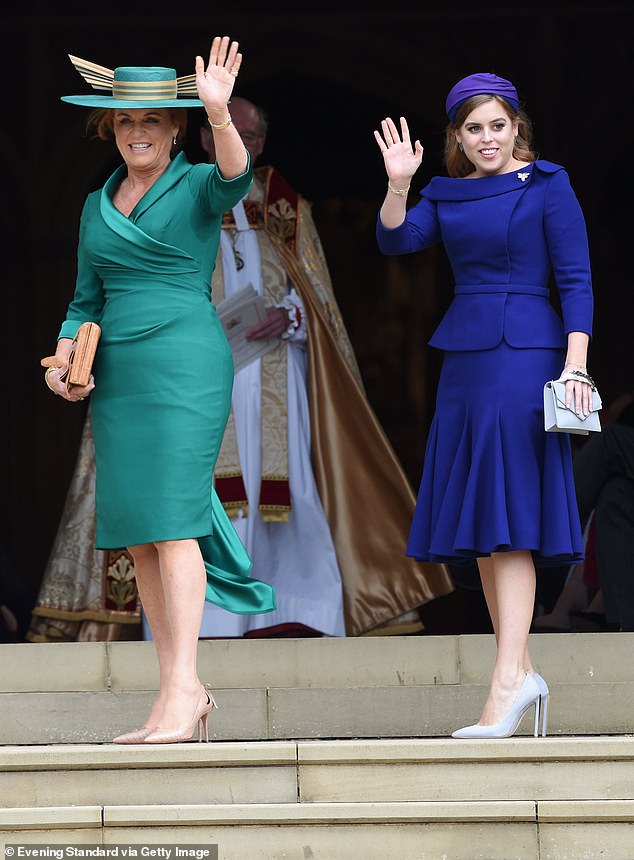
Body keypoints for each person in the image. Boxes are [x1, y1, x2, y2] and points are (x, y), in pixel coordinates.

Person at [41, 37, 276, 744]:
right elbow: (84, 300)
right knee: (141, 536)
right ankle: (178, 690)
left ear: (175, 129)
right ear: (110, 130)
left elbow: (237, 177)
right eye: (123, 122)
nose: (137, 132)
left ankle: (183, 688)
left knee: (174, 522)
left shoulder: (201, 180)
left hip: (183, 362)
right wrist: (60, 362)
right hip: (120, 377)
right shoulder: (95, 203)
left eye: (151, 121)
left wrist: (221, 115)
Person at [374, 72, 595, 738]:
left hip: (527, 357)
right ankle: (520, 671)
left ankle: (506, 684)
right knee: (483, 516)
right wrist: (397, 182)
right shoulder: (446, 192)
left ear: (516, 126)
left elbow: (577, 281)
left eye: (497, 125)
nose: (487, 138)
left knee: (510, 517)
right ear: (458, 138)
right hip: (467, 360)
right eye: (474, 128)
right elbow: (396, 241)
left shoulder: (549, 185)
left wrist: (575, 365)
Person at [194, 96, 454, 637]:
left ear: (261, 144)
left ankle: (299, 611)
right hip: (201, 376)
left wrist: (291, 316)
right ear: (203, 138)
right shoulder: (177, 200)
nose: (235, 140)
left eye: (246, 133)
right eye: (222, 130)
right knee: (210, 499)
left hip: (275, 374)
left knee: (286, 495)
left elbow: (318, 302)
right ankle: (210, 623)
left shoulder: (287, 207)